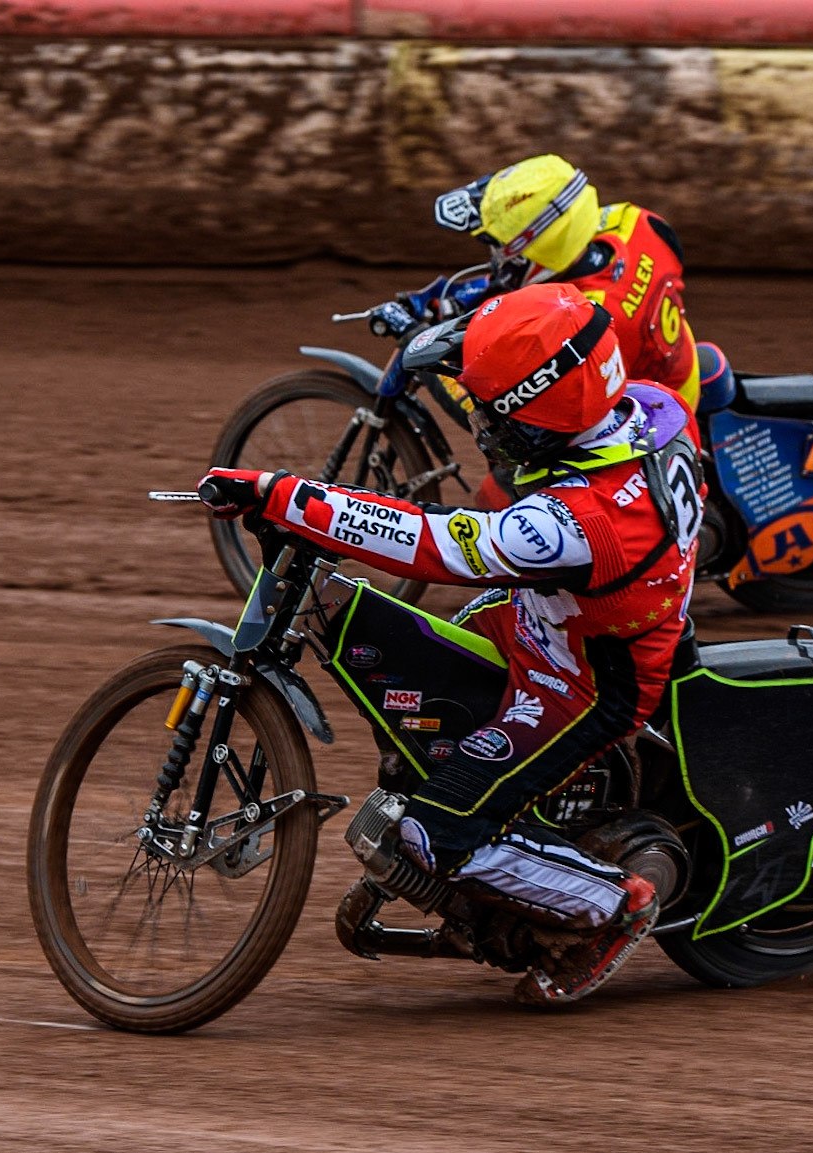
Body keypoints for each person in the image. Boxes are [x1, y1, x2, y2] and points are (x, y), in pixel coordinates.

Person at [200, 282, 705, 1006]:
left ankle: (614, 905)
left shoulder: (579, 523)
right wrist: (440, 333)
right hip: (555, 614)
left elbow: (435, 544)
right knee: (416, 693)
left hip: (585, 681)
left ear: (547, 411)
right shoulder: (649, 407)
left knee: (430, 836)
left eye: (497, 413)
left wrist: (285, 496)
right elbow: (534, 333)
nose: (482, 425)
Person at [430, 155, 737, 505]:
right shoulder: (637, 222)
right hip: (677, 367)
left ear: (543, 248)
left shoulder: (583, 319)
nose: (497, 258)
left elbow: (516, 405)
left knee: (497, 490)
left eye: (501, 248)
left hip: (647, 418)